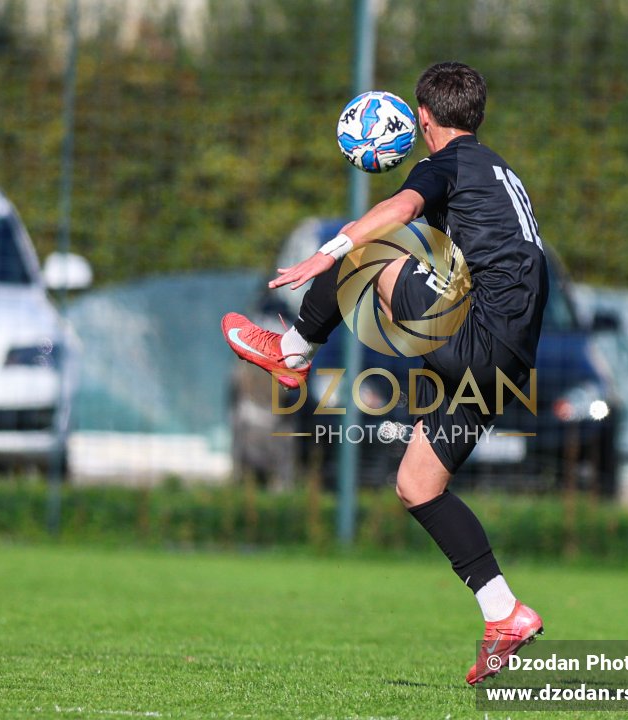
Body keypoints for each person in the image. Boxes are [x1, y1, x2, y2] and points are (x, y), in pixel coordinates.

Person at [222, 61, 549, 685]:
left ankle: (292, 351)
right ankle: (504, 613)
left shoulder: (444, 164)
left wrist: (329, 250)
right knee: (417, 485)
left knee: (371, 250)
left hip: (479, 341)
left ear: (423, 120)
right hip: (508, 356)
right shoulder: (499, 170)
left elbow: (400, 208)